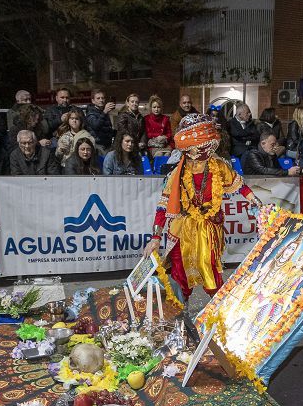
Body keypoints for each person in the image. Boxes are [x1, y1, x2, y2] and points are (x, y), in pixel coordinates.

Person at [143, 114, 260, 303]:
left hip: (209, 228)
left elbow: (240, 186)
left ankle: (219, 317)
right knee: (180, 275)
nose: (203, 150)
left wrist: (257, 202)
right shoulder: (177, 174)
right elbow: (163, 206)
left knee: (211, 272)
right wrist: (155, 238)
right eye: (198, 146)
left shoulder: (219, 166)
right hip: (182, 230)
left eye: (206, 145)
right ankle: (181, 319)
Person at [83, 89, 116, 153]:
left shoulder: (103, 112)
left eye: (103, 98)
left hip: (107, 145)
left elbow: (106, 128)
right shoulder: (91, 113)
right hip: (98, 145)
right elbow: (96, 126)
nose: (101, 100)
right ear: (93, 101)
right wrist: (104, 112)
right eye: (98, 98)